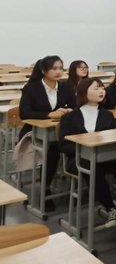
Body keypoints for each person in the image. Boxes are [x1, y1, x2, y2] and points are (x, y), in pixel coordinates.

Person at [59, 78, 116, 227]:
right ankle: (110, 208)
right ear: (83, 92)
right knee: (93, 167)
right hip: (78, 159)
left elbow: (112, 138)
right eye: (96, 88)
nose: (101, 91)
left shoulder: (107, 115)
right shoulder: (69, 117)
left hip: (104, 157)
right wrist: (85, 149)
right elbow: (63, 145)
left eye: (102, 88)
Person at [19, 55, 75, 212]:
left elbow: (75, 106)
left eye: (60, 68)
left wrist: (69, 110)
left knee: (61, 146)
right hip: (33, 132)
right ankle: (45, 188)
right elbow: (24, 113)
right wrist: (49, 114)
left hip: (57, 131)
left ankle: (58, 185)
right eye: (54, 68)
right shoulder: (31, 88)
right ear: (44, 71)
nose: (58, 72)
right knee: (51, 151)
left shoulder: (65, 86)